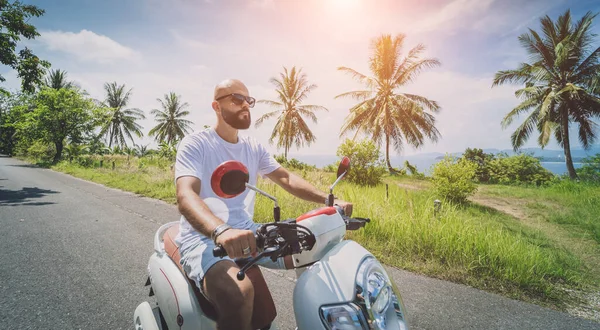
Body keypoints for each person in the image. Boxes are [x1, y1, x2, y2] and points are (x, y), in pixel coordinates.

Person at [174, 78, 353, 330]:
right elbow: (185, 195)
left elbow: (286, 177)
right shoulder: (197, 144)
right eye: (237, 99)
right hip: (204, 240)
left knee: (314, 251)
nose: (245, 105)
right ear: (216, 106)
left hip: (250, 232)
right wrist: (221, 231)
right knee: (239, 292)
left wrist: (329, 200)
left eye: (249, 100)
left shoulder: (252, 147)